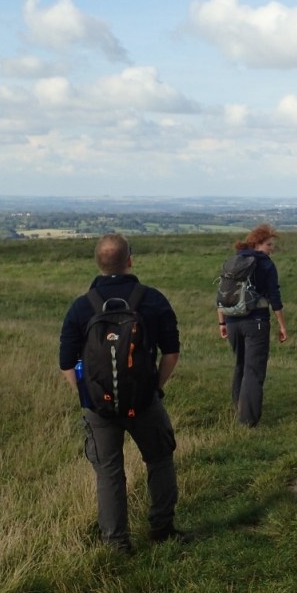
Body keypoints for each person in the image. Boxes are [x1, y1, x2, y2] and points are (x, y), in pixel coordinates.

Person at [58, 233, 187, 553]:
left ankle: (116, 543)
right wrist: (153, 388)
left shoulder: (80, 307)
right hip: (144, 402)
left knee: (109, 471)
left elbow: (65, 365)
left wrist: (88, 394)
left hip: (97, 407)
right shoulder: (153, 299)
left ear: (98, 263)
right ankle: (162, 528)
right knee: (159, 459)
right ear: (129, 260)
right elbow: (171, 353)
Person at [218, 224, 288, 427]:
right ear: (257, 244)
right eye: (268, 244)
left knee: (240, 364)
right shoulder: (265, 264)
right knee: (254, 370)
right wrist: (282, 325)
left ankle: (238, 406)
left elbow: (222, 294)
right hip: (255, 321)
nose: (271, 248)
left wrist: (222, 321)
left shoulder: (234, 261)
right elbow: (274, 296)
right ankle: (248, 419)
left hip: (231, 321)